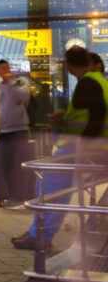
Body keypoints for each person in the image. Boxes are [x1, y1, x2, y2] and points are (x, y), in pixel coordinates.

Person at [13, 46, 108, 253]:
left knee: (48, 186)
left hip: (83, 149)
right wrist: (64, 118)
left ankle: (40, 236)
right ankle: (37, 233)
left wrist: (85, 141)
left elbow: (97, 113)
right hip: (90, 148)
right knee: (55, 188)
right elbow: (87, 112)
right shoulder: (97, 80)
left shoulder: (88, 82)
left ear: (69, 65)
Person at [0, 59, 31, 208]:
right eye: (2, 69)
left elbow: (22, 97)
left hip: (19, 130)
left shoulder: (20, 83)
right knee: (7, 166)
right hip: (5, 131)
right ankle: (12, 196)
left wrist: (11, 83)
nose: (6, 71)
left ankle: (19, 197)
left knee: (18, 166)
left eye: (7, 68)